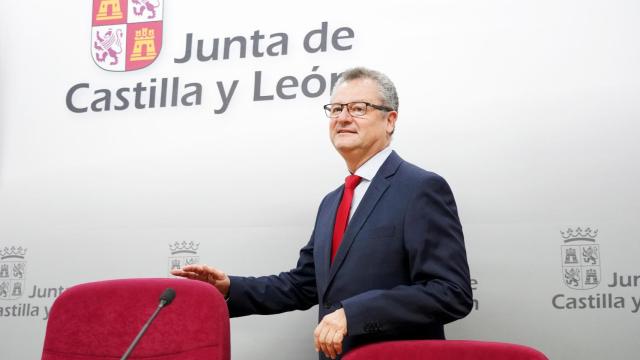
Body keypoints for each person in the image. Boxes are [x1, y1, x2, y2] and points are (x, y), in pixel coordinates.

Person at [172, 67, 473, 359]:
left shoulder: (420, 188)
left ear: (390, 120)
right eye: (336, 108)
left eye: (358, 108)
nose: (343, 118)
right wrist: (229, 288)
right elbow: (302, 285)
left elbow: (451, 292)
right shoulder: (333, 202)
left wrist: (354, 314)